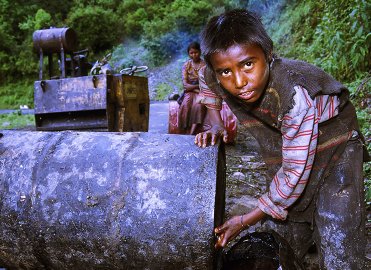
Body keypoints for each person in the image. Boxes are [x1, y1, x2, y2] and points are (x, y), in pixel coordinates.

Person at [195, 9, 369, 269]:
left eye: (247, 64)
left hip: (336, 143)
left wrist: (245, 219)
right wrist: (217, 123)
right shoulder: (214, 74)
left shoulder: (293, 95)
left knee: (337, 230)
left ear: (268, 54)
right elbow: (206, 81)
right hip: (289, 144)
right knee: (281, 237)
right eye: (226, 72)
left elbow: (294, 174)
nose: (240, 81)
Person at [178, 42, 206, 135]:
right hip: (191, 92)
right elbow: (185, 85)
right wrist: (196, 87)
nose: (194, 55)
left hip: (202, 91)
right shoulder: (186, 65)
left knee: (198, 105)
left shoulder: (204, 65)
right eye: (191, 53)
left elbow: (206, 83)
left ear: (200, 52)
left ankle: (192, 133)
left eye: (196, 52)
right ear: (189, 54)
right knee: (185, 105)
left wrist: (192, 87)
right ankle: (184, 131)